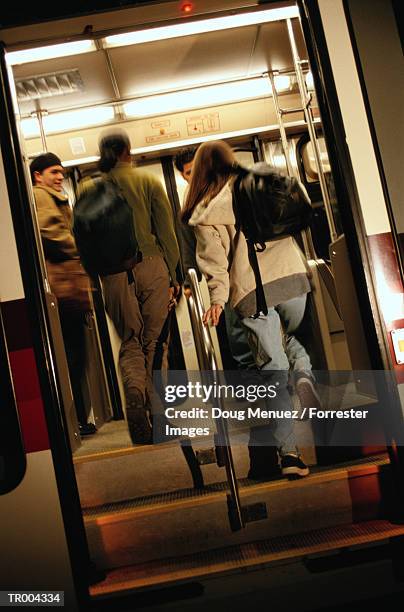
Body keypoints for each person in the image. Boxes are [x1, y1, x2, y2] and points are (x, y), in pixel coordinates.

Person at [182, 140, 320, 478]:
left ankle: (289, 455)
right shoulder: (260, 182)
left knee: (271, 367)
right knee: (291, 342)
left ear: (199, 171)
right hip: (291, 278)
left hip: (251, 291)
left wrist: (217, 300)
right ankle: (303, 376)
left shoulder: (205, 211)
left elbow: (215, 263)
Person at [97, 129, 181, 445]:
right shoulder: (147, 182)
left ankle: (134, 392)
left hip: (113, 275)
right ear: (128, 152)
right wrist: (175, 277)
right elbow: (167, 234)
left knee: (130, 341)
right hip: (151, 266)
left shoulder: (90, 188)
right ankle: (160, 416)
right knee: (155, 342)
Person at [30, 152, 96, 437]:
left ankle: (78, 420)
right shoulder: (40, 196)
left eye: (61, 172)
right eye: (54, 172)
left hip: (69, 288)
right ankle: (74, 421)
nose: (59, 177)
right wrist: (81, 248)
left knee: (75, 357)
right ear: (38, 175)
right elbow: (50, 233)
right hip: (64, 287)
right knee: (71, 357)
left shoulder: (52, 196)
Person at [175, 146, 255, 370]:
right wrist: (190, 280)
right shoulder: (191, 206)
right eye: (190, 172)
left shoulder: (230, 190)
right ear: (183, 176)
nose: (196, 175)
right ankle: (258, 394)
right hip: (227, 277)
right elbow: (190, 247)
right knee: (241, 340)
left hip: (250, 272)